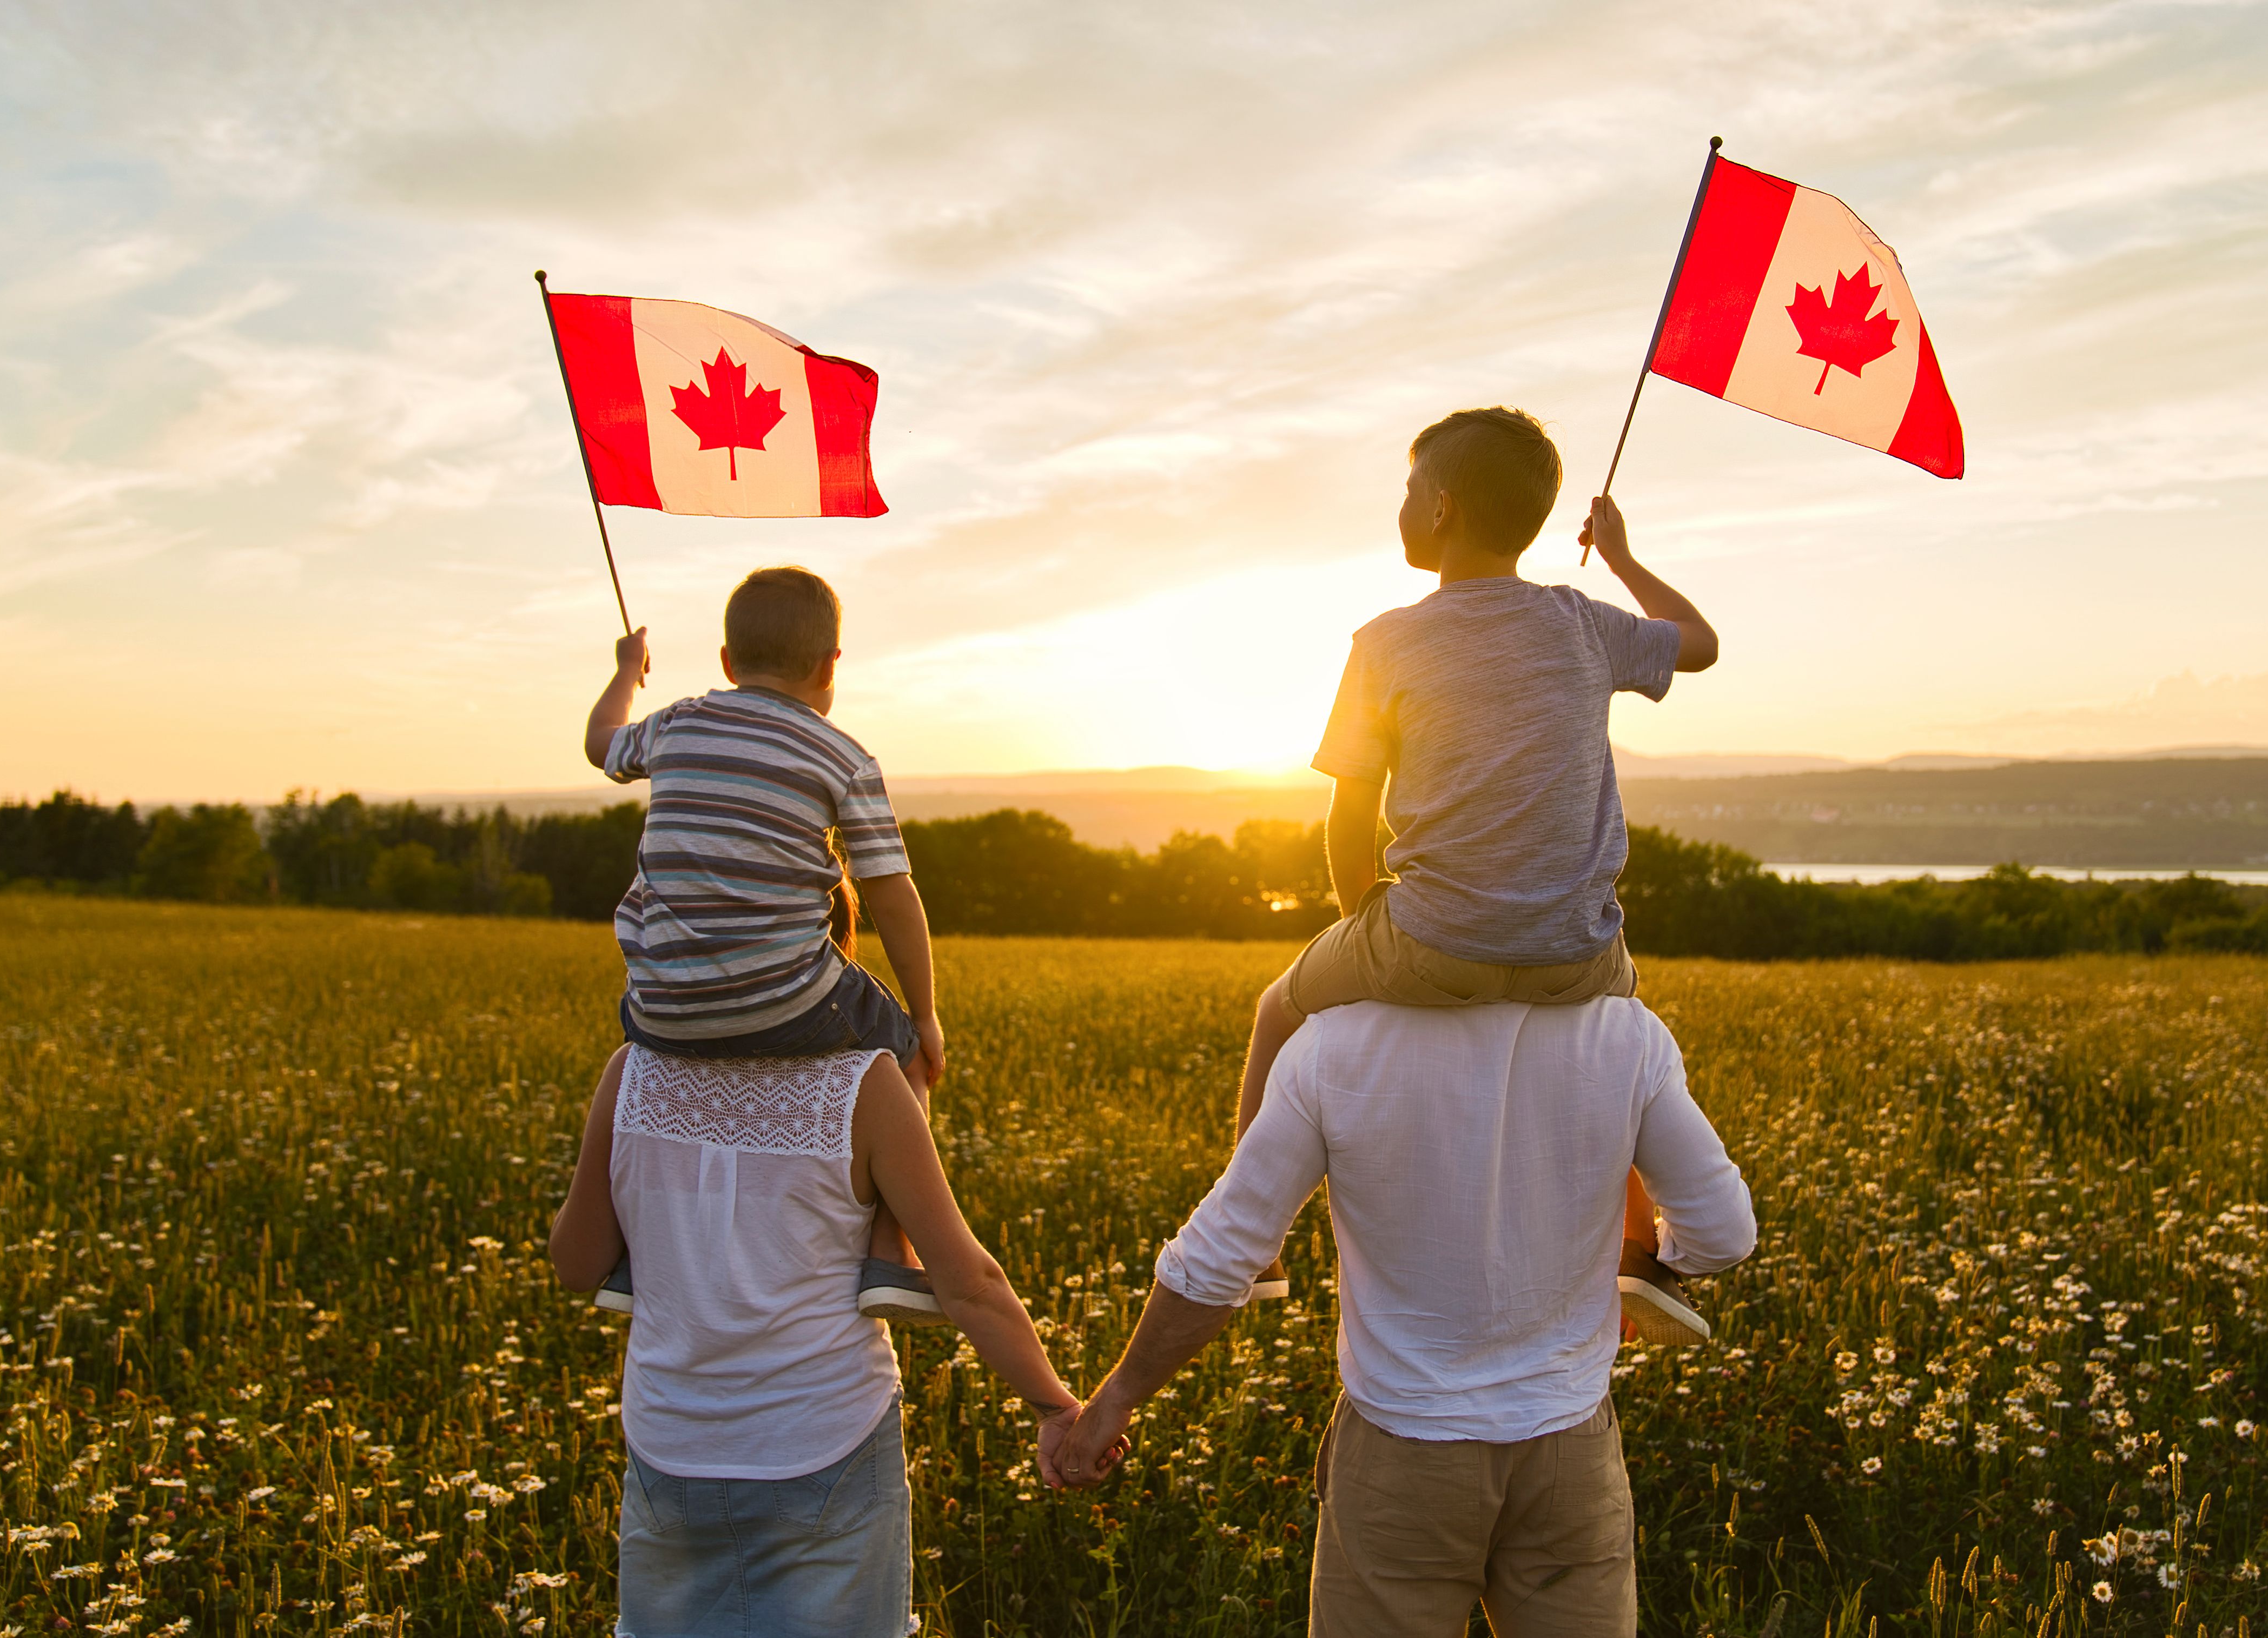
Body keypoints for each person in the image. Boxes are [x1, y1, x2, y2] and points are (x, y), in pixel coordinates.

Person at [1229, 407, 1722, 1337]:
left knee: (1275, 1012)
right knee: (1613, 1034)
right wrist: (1617, 555)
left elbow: (1351, 812)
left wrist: (1359, 932)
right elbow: (1697, 642)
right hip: (1578, 953)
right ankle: (1640, 1246)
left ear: (1444, 505)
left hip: (1432, 945)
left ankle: (1255, 1245)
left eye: (1410, 487)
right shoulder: (1583, 622)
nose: (1404, 504)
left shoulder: (1383, 642)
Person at [1052, 993, 1754, 1634]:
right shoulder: (1625, 1031)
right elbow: (1721, 1233)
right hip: (1569, 1448)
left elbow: (1216, 1256)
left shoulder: (1336, 1042)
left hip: (1401, 1456)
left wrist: (1115, 1399)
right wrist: (1646, 1259)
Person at [550, 1037, 1087, 1636]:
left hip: (671, 1443)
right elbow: (970, 1285)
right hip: (830, 1439)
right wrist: (1056, 1406)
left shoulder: (632, 1071)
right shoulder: (866, 1082)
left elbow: (575, 1265)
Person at [584, 565, 948, 1323]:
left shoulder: (678, 722)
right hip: (783, 1000)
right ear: (829, 667)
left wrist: (626, 670)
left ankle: (624, 1252)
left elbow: (599, 744)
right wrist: (926, 1017)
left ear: (726, 661)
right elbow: (889, 893)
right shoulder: (843, 756)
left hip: (656, 1008)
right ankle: (890, 1249)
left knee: (656, 1075)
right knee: (905, 1055)